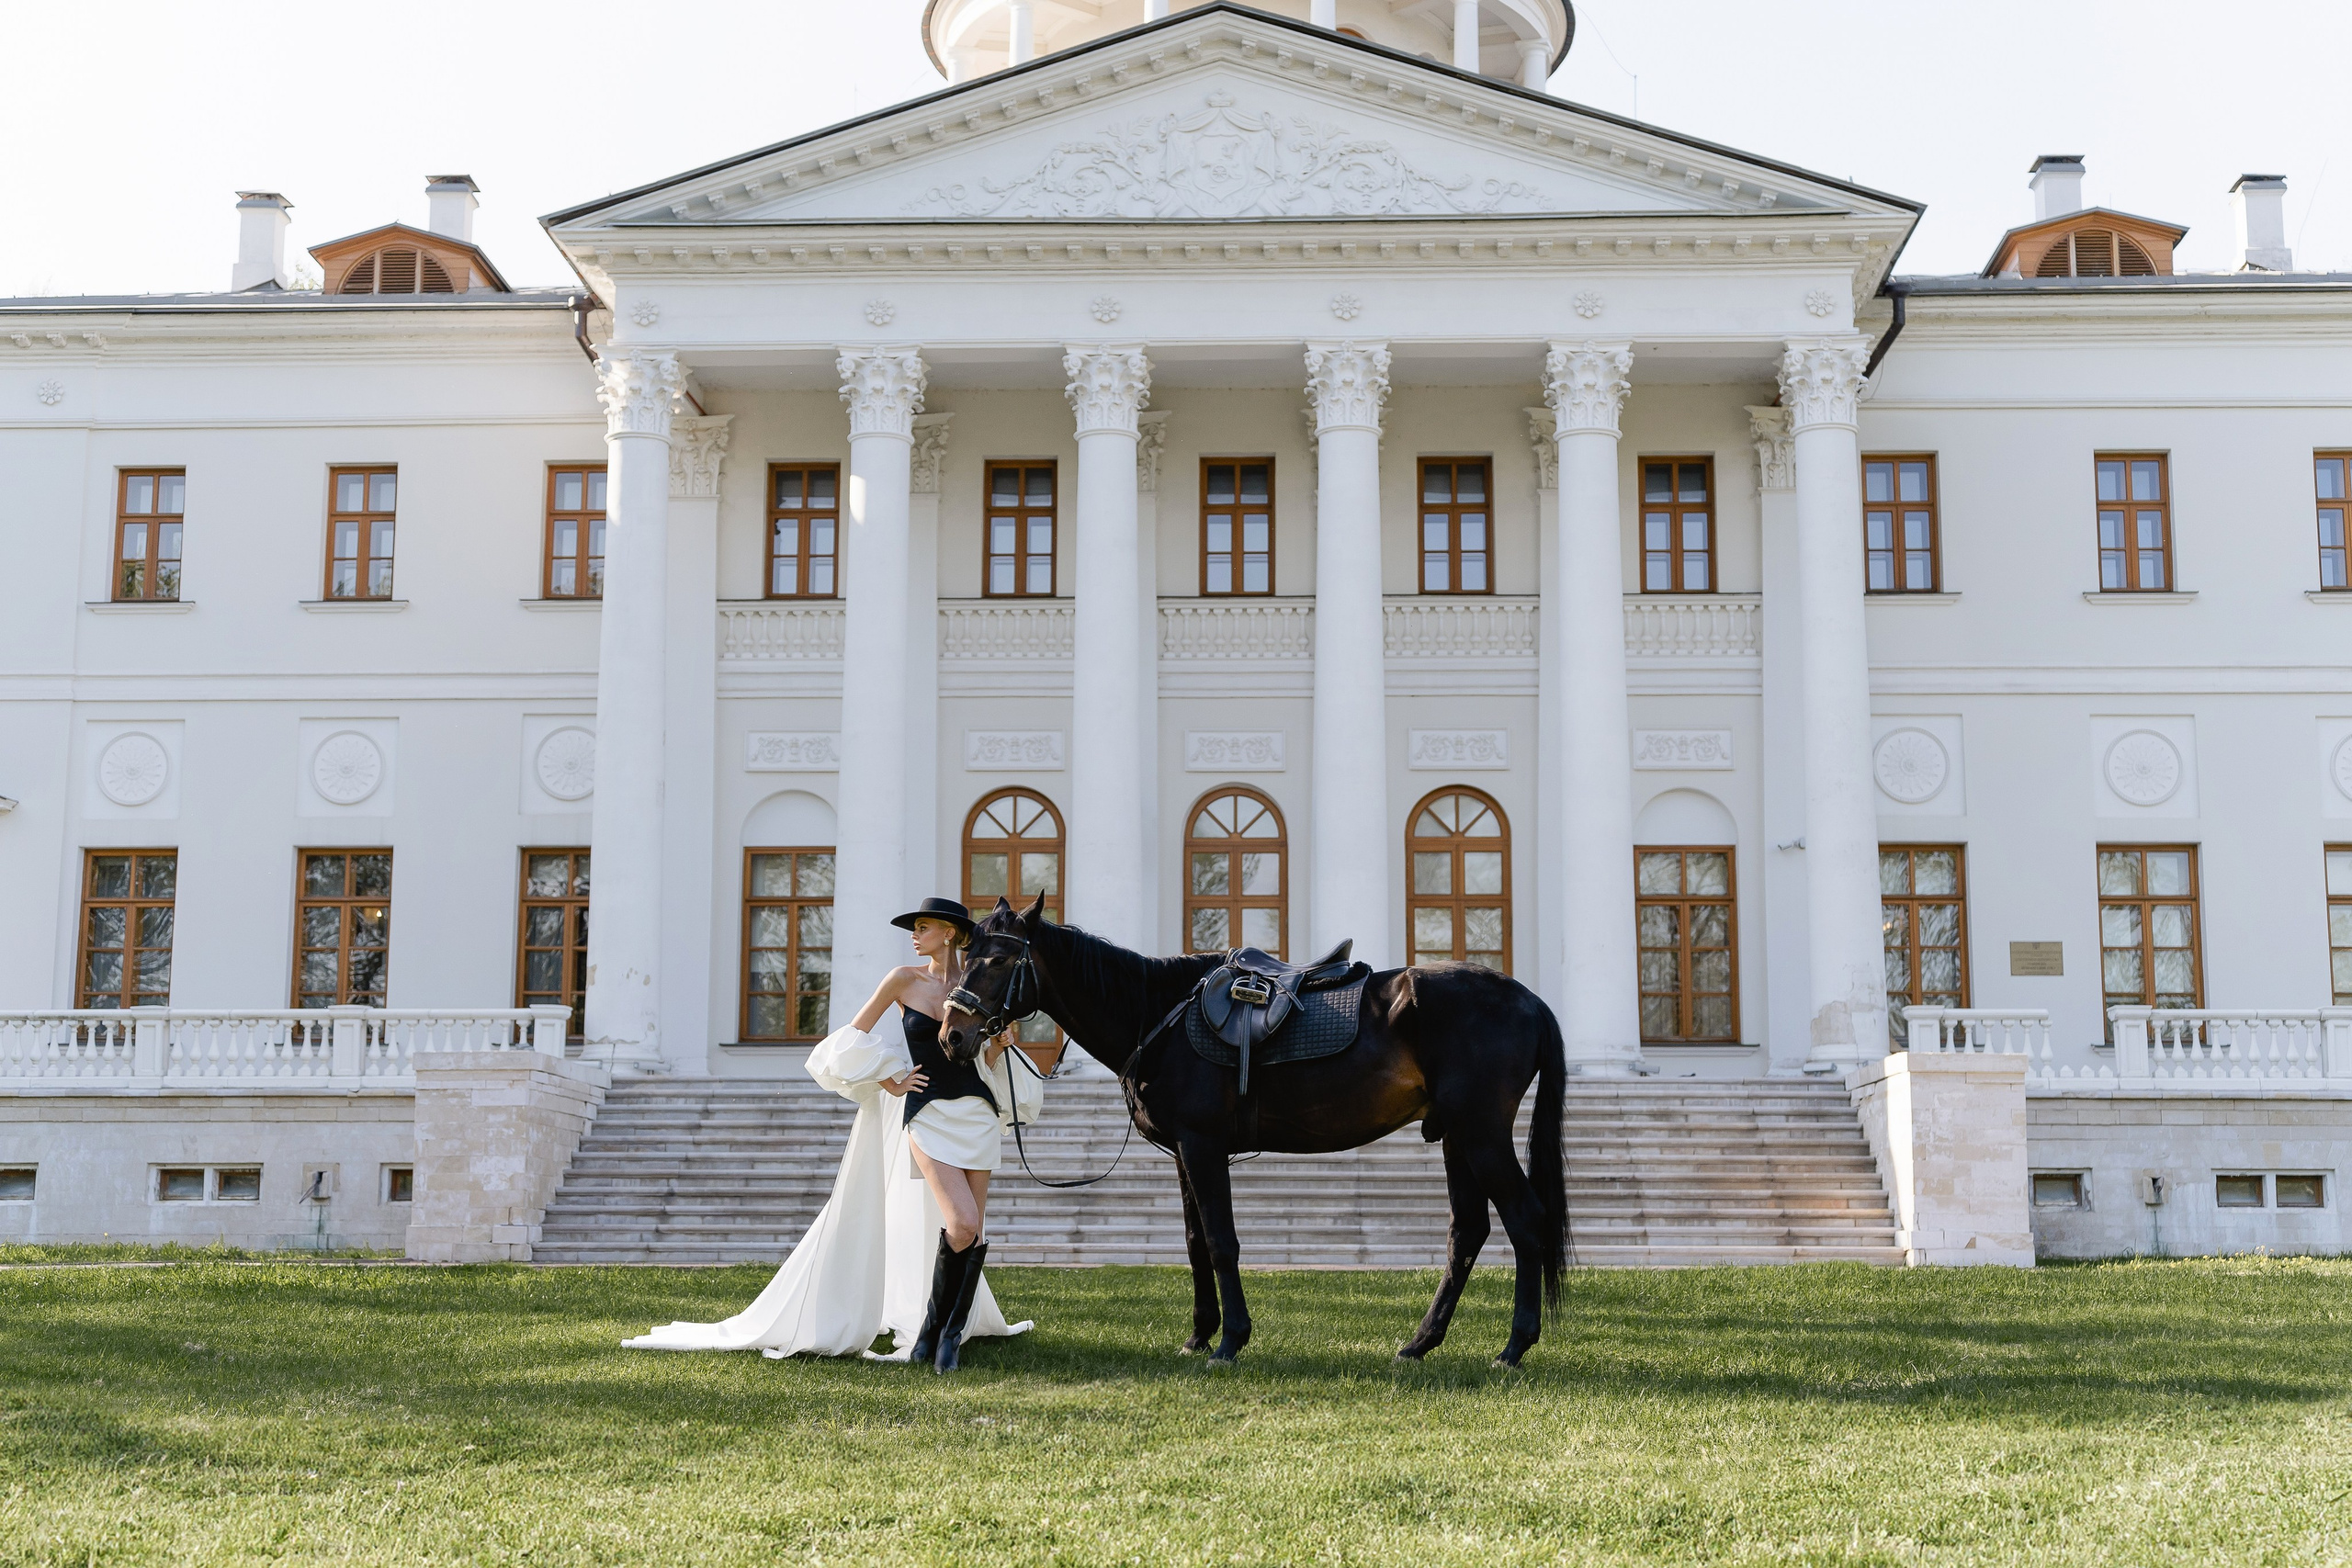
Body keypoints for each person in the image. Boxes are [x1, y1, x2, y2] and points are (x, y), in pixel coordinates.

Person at [622, 897, 1041, 1371]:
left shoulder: (977, 982)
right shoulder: (902, 980)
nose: (914, 935)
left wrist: (1001, 1045)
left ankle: (946, 1339)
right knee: (961, 1224)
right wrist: (888, 1079)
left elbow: (983, 1059)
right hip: (927, 1114)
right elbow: (853, 1034)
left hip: (977, 1115)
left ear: (949, 932)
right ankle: (931, 1333)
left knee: (974, 1231)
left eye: (923, 927)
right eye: (914, 928)